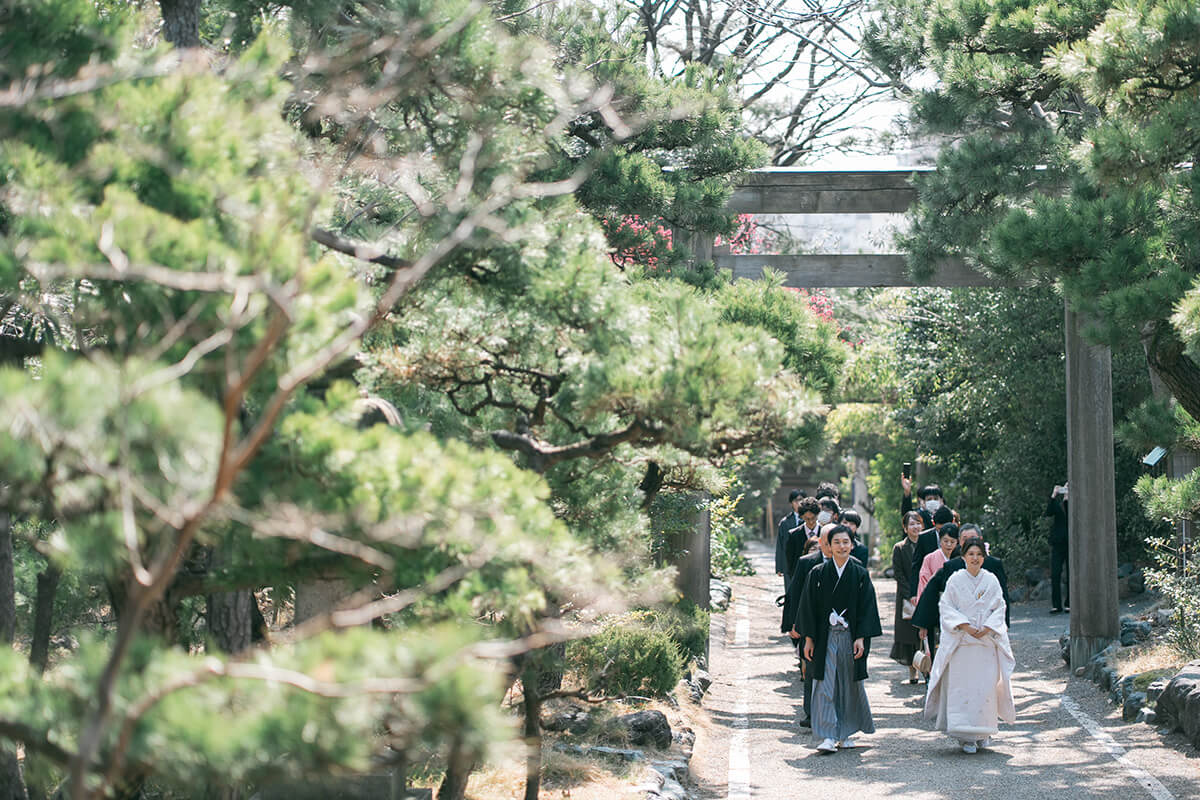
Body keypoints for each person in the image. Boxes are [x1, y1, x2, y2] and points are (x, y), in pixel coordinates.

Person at [924, 536, 1015, 753]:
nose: (974, 558)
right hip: (962, 643)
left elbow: (999, 607)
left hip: (984, 642)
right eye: (971, 554)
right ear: (963, 556)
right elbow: (946, 607)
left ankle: (984, 731)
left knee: (984, 688)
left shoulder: (991, 579)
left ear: (984, 557)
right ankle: (965, 736)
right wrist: (964, 626)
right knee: (962, 688)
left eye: (978, 555)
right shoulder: (955, 580)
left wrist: (987, 627)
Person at [797, 525, 882, 753]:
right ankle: (826, 735)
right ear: (828, 546)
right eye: (837, 542)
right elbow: (808, 609)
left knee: (849, 684)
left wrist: (861, 637)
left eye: (846, 542)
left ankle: (846, 732)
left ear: (852, 544)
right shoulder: (817, 573)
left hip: (850, 637)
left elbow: (867, 608)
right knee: (824, 683)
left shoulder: (860, 574)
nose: (842, 546)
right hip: (825, 637)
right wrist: (808, 639)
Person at [784, 524, 835, 728]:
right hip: (810, 621)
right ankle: (811, 713)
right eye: (828, 541)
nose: (832, 546)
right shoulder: (806, 563)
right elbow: (795, 594)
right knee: (810, 666)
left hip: (837, 624)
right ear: (821, 542)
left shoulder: (850, 564)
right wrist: (793, 623)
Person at [891, 511, 924, 683]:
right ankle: (913, 671)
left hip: (926, 594)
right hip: (906, 598)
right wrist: (911, 594)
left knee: (926, 632)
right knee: (910, 635)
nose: (915, 527)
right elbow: (899, 574)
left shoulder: (929, 544)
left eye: (918, 523)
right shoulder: (899, 548)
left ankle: (927, 668)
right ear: (905, 528)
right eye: (911, 524)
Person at [909, 504, 956, 602]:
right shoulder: (924, 538)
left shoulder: (958, 537)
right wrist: (914, 593)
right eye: (939, 530)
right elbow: (916, 566)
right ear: (933, 523)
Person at [917, 523, 960, 602]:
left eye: (952, 541)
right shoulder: (929, 559)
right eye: (945, 541)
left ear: (957, 542)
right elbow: (923, 583)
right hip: (934, 601)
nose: (949, 544)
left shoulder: (962, 558)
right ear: (940, 541)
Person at [1045, 483, 1069, 614]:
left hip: (1071, 543)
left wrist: (1068, 497)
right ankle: (1056, 604)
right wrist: (1054, 495)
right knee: (1055, 573)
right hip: (1057, 543)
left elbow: (1071, 514)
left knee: (1071, 574)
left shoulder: (1073, 504)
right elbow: (1049, 512)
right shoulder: (1058, 506)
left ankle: (1069, 603)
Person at [776, 489, 805, 585]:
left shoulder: (810, 520)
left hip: (805, 560)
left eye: (801, 500)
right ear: (791, 503)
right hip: (789, 562)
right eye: (796, 501)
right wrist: (779, 567)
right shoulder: (785, 522)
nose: (799, 503)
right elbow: (780, 545)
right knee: (790, 590)